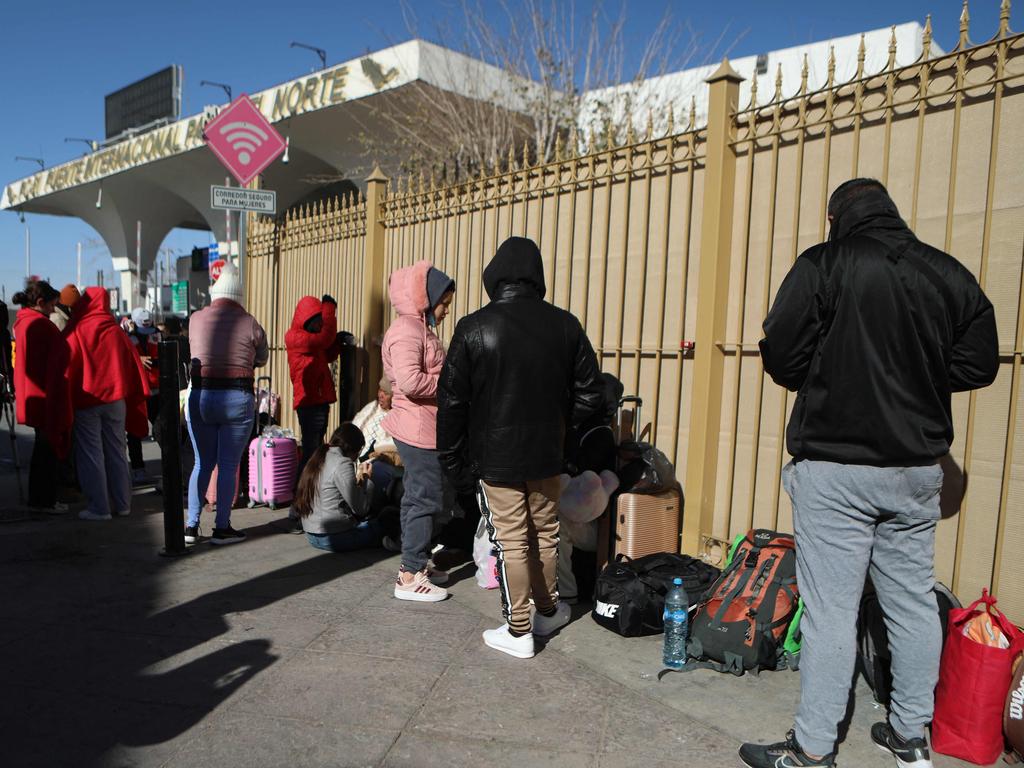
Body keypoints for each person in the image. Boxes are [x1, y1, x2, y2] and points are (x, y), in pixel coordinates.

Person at [739, 179, 999, 768]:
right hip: (915, 470)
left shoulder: (824, 264)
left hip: (836, 468)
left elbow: (780, 353)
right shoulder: (945, 274)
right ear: (891, 213)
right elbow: (980, 361)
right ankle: (911, 737)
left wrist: (828, 372)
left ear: (838, 218)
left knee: (833, 609)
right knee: (909, 603)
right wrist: (922, 373)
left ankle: (811, 750)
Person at [437, 236, 603, 659]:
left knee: (511, 541)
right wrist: (562, 428)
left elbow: (452, 402)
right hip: (547, 453)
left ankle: (518, 630)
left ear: (494, 275)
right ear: (537, 276)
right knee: (545, 535)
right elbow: (591, 393)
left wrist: (453, 458)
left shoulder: (474, 327)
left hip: (496, 457)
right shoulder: (565, 325)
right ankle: (546, 611)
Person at [381, 259, 455, 602]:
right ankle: (410, 574)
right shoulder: (407, 331)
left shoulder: (416, 329)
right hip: (417, 428)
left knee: (419, 497)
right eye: (443, 304)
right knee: (425, 498)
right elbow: (410, 381)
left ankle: (416, 561)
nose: (445, 312)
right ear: (426, 299)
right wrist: (449, 383)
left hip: (421, 426)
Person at [184, 262, 267, 545]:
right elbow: (262, 357)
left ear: (214, 293)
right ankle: (222, 527)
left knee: (201, 463)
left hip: (201, 397)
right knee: (228, 465)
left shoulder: (195, 319)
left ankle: (191, 526)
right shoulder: (250, 322)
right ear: (239, 296)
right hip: (236, 397)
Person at [65, 287, 150, 521]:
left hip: (87, 400)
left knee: (91, 453)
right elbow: (131, 363)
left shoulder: (78, 328)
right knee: (117, 451)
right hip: (116, 399)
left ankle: (99, 507)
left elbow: (67, 362)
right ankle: (123, 504)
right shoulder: (115, 330)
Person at [11, 280, 72, 513]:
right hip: (46, 395)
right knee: (47, 452)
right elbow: (62, 359)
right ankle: (44, 500)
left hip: (31, 395)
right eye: (52, 306)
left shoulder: (22, 323)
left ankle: (39, 499)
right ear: (41, 303)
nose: (53, 311)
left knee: (41, 450)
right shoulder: (43, 326)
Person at [285, 294, 342, 530]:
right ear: (307, 319)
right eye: (318, 319)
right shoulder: (297, 337)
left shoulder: (310, 339)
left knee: (314, 453)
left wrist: (339, 341)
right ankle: (298, 507)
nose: (321, 323)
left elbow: (327, 350)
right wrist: (330, 309)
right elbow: (324, 339)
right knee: (310, 454)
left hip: (317, 401)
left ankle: (304, 505)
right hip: (310, 404)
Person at [294, 423, 390, 552]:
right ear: (353, 448)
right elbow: (361, 509)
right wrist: (367, 479)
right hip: (333, 537)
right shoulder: (342, 463)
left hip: (311, 534)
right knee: (386, 521)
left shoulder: (320, 455)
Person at [351, 376, 400, 514]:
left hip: (380, 460)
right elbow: (357, 425)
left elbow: (392, 448)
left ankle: (366, 510)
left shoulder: (398, 416)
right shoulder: (371, 408)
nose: (381, 395)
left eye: (386, 393)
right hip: (356, 455)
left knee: (375, 469)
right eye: (380, 390)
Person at [126, 307, 161, 483]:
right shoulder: (127, 338)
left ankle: (170, 467)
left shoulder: (157, 334)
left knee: (162, 429)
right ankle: (138, 469)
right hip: (137, 391)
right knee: (134, 432)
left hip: (157, 390)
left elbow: (166, 354)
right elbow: (122, 358)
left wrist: (155, 361)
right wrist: (137, 359)